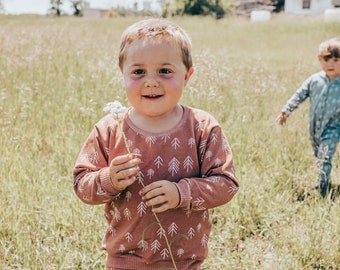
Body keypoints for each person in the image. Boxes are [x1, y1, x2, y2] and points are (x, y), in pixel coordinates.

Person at [73, 18, 239, 270]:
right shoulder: (110, 128)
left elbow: (226, 184)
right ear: (123, 75)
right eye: (138, 72)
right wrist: (109, 180)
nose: (151, 81)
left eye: (165, 71)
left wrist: (181, 193)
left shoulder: (202, 127)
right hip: (124, 258)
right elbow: (81, 185)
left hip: (184, 259)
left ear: (187, 76)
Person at [276, 37, 340, 198]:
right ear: (320, 60)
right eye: (326, 59)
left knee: (324, 156)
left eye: (336, 60)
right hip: (314, 127)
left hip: (334, 127)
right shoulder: (315, 80)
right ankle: (322, 178)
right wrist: (286, 111)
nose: (331, 64)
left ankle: (321, 188)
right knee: (318, 154)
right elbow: (299, 95)